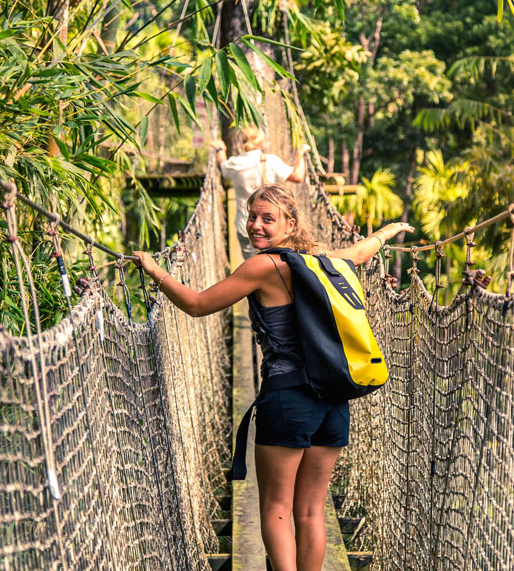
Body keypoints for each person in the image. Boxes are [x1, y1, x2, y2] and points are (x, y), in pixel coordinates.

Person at [133, 184, 413, 571]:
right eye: (252, 216)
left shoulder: (262, 266)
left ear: (289, 223)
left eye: (268, 218)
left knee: (276, 507)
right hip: (333, 402)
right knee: (312, 510)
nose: (256, 226)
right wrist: (385, 233)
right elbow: (359, 254)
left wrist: (154, 270)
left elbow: (198, 305)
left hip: (288, 401)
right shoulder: (320, 261)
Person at [209, 127, 310, 259]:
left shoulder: (235, 162)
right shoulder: (270, 161)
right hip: (272, 226)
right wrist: (299, 155)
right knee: (273, 264)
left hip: (246, 225)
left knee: (252, 264)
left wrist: (220, 150)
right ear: (261, 143)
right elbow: (297, 176)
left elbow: (222, 165)